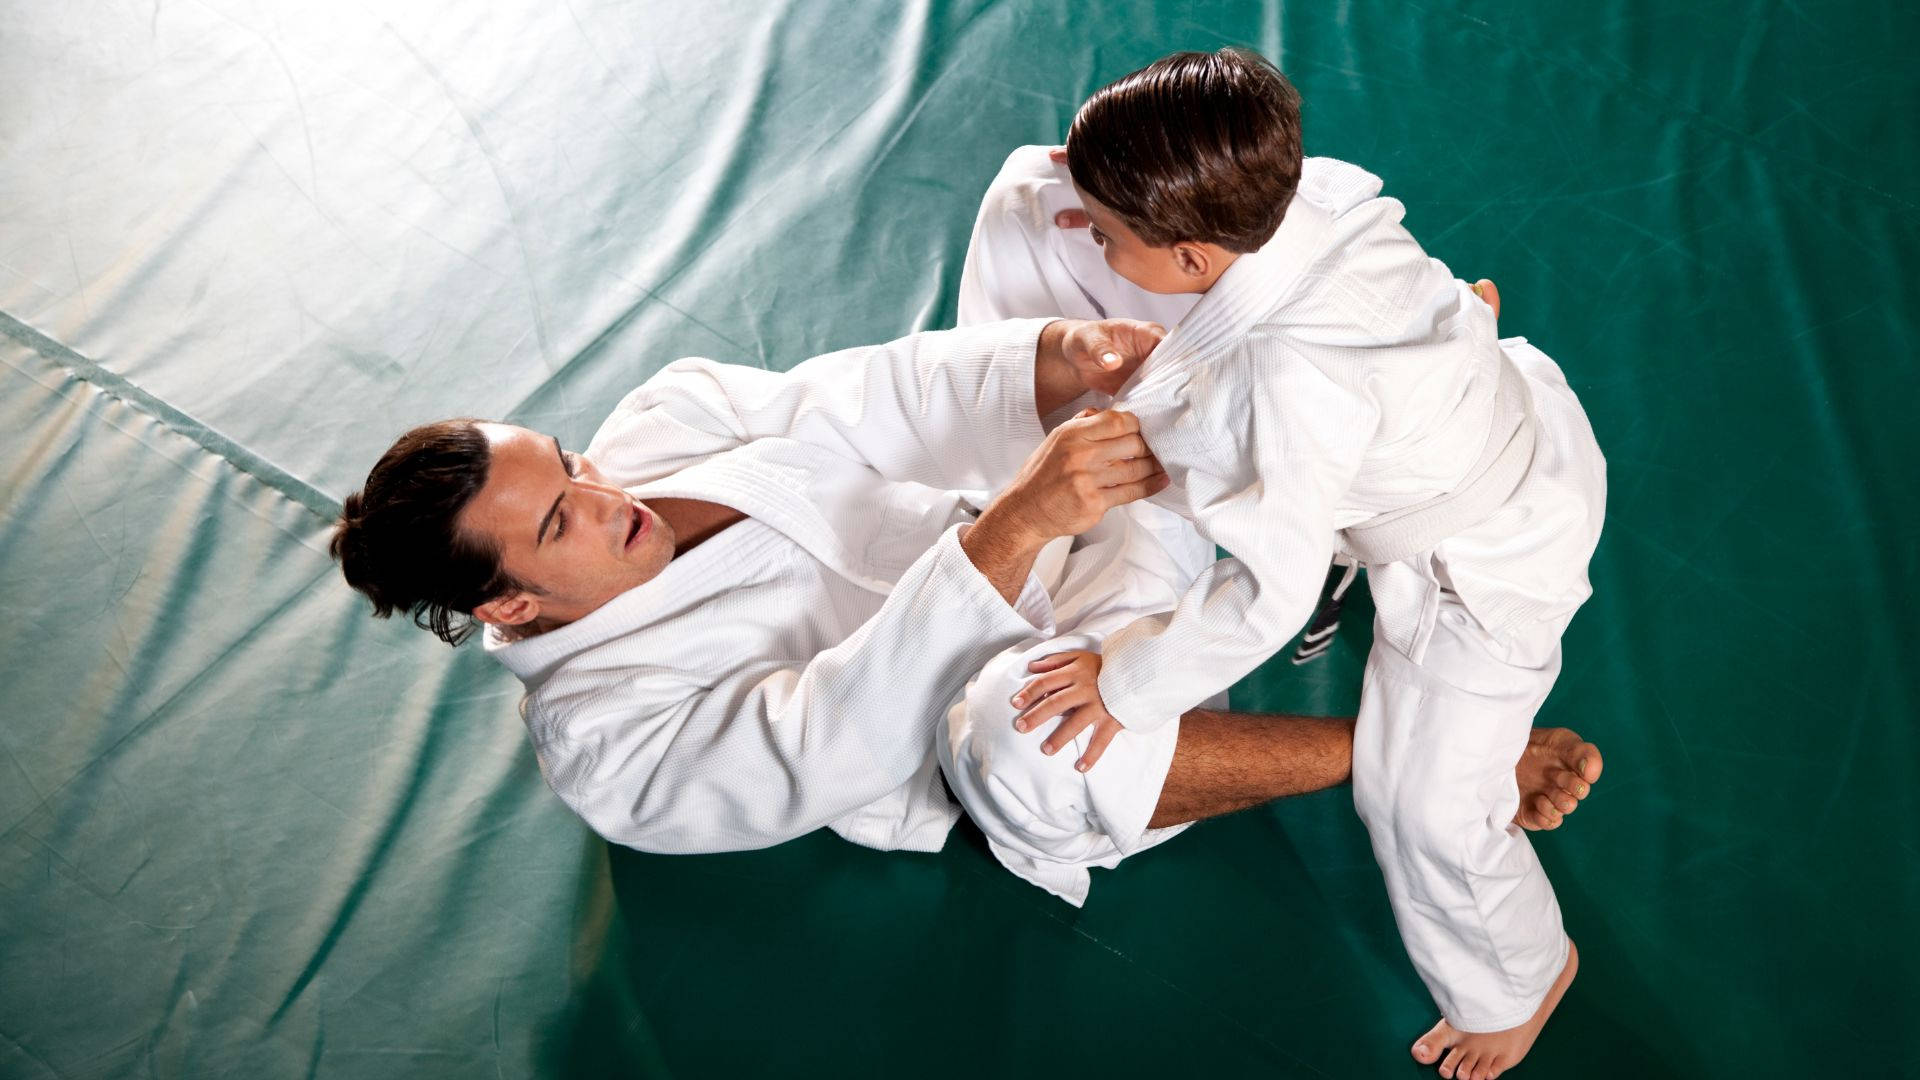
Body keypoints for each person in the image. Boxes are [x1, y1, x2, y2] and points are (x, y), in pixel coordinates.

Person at [329, 317, 1600, 902]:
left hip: (1063, 537)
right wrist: (1015, 527)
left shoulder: (662, 428)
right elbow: (830, 734)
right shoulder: (610, 754)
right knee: (1020, 735)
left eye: (573, 464)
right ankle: (1424, 759)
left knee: (1046, 202)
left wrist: (1053, 362)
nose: (611, 494)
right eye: (565, 521)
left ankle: (1345, 443)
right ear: (508, 602)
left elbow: (872, 395)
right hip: (1036, 725)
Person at [956, 49, 1607, 1080]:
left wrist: (1123, 682)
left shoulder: (1277, 390)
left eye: (1113, 235)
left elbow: (1266, 595)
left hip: (1479, 566)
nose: (1089, 239)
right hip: (1486, 406)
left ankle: (1522, 978)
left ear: (1188, 256)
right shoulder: (1310, 188)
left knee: (1422, 801)